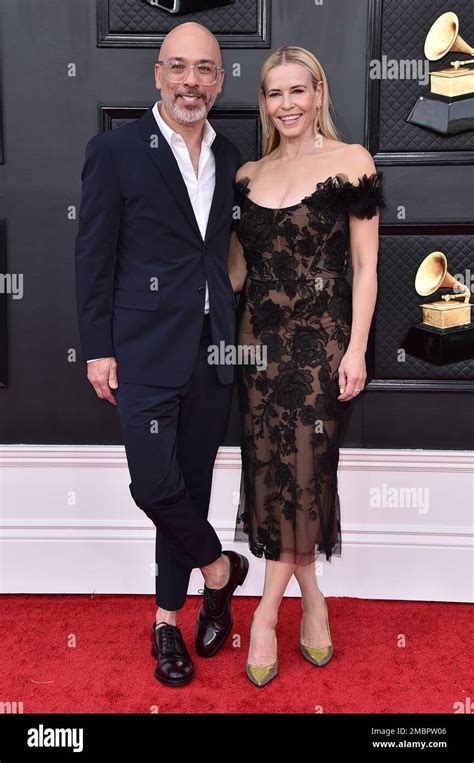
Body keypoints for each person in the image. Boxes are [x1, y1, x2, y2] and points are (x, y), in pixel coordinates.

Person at [75, 21, 249, 687]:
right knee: (156, 484)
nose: (191, 81)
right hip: (142, 351)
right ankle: (220, 571)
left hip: (213, 351)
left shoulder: (231, 155)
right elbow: (93, 255)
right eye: (178, 67)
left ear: (219, 79)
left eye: (204, 69)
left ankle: (165, 619)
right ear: (157, 74)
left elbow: (220, 252)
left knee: (193, 486)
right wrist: (97, 348)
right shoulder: (116, 151)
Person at [228, 45, 385, 686]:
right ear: (264, 102)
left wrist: (357, 350)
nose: (286, 104)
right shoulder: (246, 175)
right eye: (274, 93)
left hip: (323, 346)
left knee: (307, 470)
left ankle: (265, 613)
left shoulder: (351, 164)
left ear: (318, 92)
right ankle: (312, 597)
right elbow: (236, 272)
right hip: (256, 348)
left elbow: (367, 265)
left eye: (298, 90)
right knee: (271, 475)